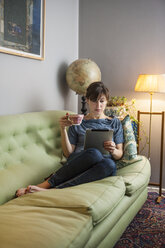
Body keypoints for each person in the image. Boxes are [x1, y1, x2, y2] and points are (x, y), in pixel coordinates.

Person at [16, 82, 124, 197]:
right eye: (94, 100)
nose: (98, 105)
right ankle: (45, 186)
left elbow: (119, 153)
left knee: (110, 164)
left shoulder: (114, 122)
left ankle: (53, 191)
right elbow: (68, 153)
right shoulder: (78, 121)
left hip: (101, 168)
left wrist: (113, 150)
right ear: (87, 100)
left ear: (107, 101)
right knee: (94, 153)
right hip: (79, 163)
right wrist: (63, 129)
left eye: (102, 101)